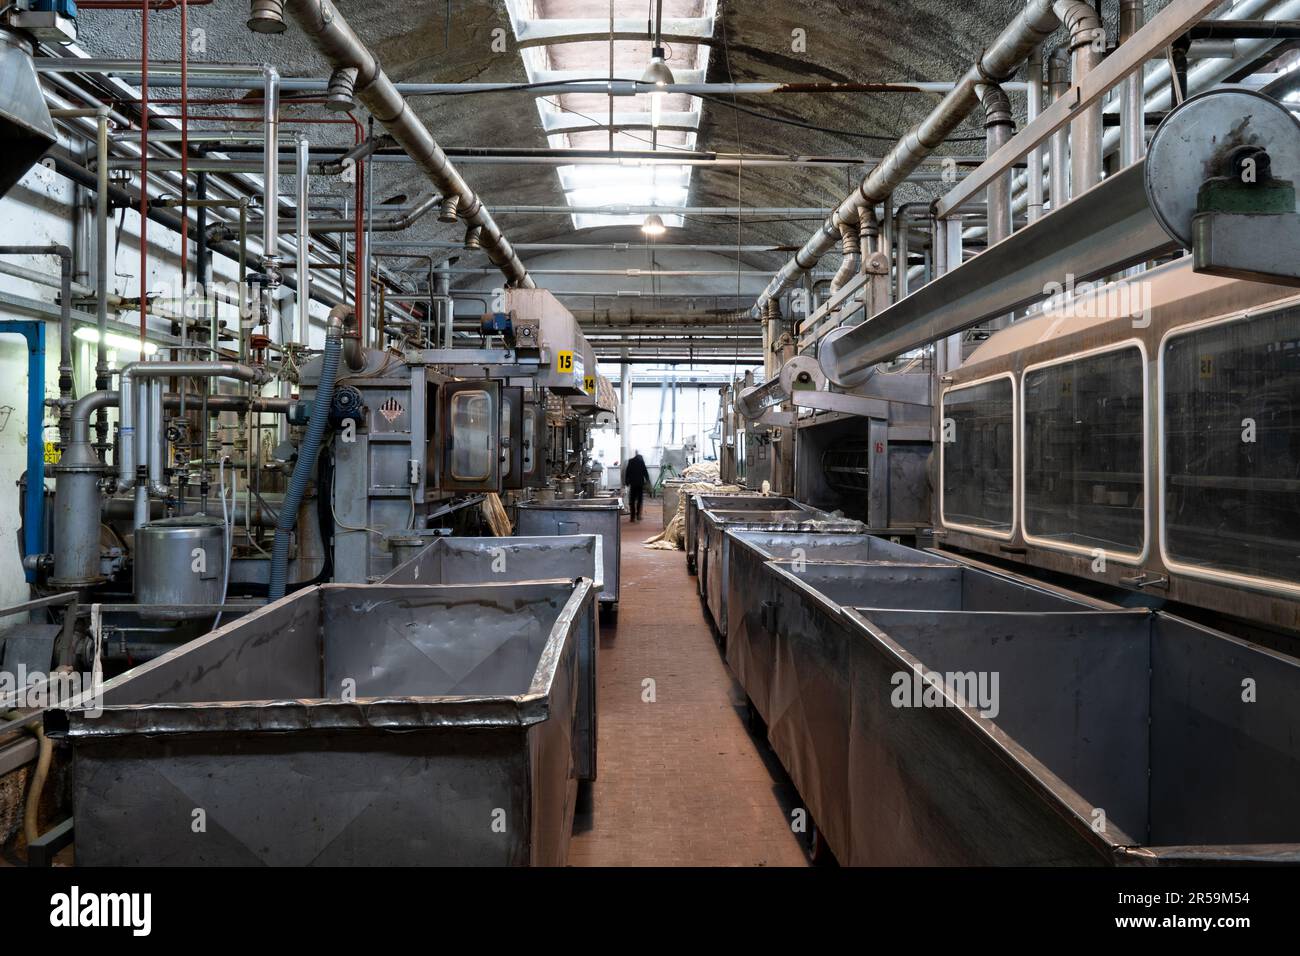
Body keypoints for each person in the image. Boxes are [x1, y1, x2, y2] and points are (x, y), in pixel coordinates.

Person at [624, 451, 650, 522]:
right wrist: (648, 481)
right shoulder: (641, 462)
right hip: (640, 484)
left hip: (633, 484)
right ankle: (638, 515)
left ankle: (632, 517)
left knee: (632, 500)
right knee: (639, 500)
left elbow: (627, 472)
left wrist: (626, 482)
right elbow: (645, 472)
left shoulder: (631, 461)